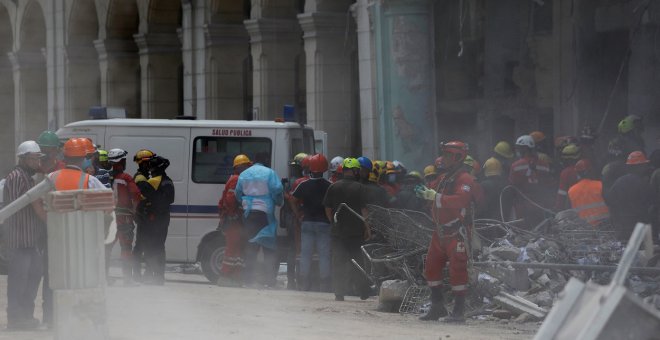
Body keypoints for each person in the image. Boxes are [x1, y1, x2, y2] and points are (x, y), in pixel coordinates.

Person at [415, 141, 476, 323]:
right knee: (431, 268)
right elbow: (433, 189)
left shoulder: (465, 179)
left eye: (448, 155)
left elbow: (460, 200)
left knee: (458, 270)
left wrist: (435, 197)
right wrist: (424, 191)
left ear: (458, 157)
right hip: (440, 232)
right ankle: (437, 307)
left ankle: (458, 311)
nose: (444, 158)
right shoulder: (445, 177)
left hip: (456, 231)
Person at [3, 141, 46, 330]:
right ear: (23, 159)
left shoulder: (28, 177)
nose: (37, 162)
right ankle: (16, 318)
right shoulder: (16, 177)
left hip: (30, 241)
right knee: (19, 280)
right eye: (34, 159)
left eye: (38, 158)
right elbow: (30, 203)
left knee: (34, 275)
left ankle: (26, 315)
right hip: (19, 241)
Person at [323, 158, 371, 301]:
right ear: (355, 171)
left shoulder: (333, 187)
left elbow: (327, 208)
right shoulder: (360, 187)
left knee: (338, 262)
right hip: (356, 232)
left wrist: (333, 222)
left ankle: (339, 293)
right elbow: (364, 210)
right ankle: (363, 291)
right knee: (358, 262)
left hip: (338, 233)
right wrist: (367, 228)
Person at [235, 162, 284, 287]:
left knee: (251, 248)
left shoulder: (244, 174)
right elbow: (277, 189)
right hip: (264, 212)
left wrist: (245, 202)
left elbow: (238, 193)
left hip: (248, 213)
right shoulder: (269, 172)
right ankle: (270, 281)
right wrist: (278, 201)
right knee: (269, 249)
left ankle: (248, 280)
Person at [290, 154, 332, 291]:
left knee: (305, 254)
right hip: (324, 224)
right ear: (324, 169)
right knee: (324, 254)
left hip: (307, 223)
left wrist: (298, 215)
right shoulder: (329, 186)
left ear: (310, 169)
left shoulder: (304, 184)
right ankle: (324, 283)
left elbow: (292, 199)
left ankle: (304, 283)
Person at [134, 155, 175, 285]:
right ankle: (159, 276)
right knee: (160, 247)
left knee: (150, 247)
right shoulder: (168, 181)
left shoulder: (153, 182)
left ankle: (149, 275)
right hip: (164, 218)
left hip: (152, 219)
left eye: (151, 167)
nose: (150, 169)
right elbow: (170, 200)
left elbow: (142, 199)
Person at [216, 154, 252, 287]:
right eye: (247, 166)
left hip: (235, 219)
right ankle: (225, 276)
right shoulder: (236, 179)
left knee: (238, 249)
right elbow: (231, 199)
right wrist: (233, 214)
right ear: (241, 167)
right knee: (232, 249)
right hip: (233, 220)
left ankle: (236, 277)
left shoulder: (238, 178)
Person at [107, 148, 141, 286]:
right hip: (124, 217)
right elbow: (136, 196)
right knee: (126, 248)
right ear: (121, 161)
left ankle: (103, 277)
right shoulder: (126, 178)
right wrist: (133, 210)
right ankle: (127, 279)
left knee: (107, 247)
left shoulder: (106, 177)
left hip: (109, 217)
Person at [605, 151, 655, 241]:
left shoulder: (619, 182)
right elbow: (650, 205)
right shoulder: (643, 184)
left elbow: (610, 202)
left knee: (627, 253)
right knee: (646, 253)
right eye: (644, 165)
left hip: (623, 228)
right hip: (641, 228)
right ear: (640, 166)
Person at [509, 135, 553, 227]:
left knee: (523, 232)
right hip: (540, 204)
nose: (518, 151)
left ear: (525, 149)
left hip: (522, 205)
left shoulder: (516, 166)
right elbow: (549, 185)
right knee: (540, 231)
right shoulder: (544, 165)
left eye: (520, 148)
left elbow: (512, 186)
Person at [282, 152, 308, 289]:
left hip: (291, 218)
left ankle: (292, 280)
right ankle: (299, 280)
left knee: (293, 249)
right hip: (298, 218)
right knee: (300, 249)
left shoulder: (291, 181)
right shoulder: (301, 181)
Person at [131, 149, 156, 281]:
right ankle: (137, 274)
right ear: (143, 164)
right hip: (143, 216)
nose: (151, 165)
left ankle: (139, 273)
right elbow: (147, 196)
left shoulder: (143, 177)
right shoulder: (141, 178)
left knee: (142, 245)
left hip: (142, 215)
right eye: (149, 163)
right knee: (142, 245)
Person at [568, 160, 610, 227]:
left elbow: (570, 211)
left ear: (577, 173)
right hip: (604, 227)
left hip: (583, 229)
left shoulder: (571, 190)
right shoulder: (600, 185)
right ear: (590, 171)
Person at [554, 144, 581, 211]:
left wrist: (558, 208)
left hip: (572, 206)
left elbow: (562, 193)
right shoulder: (585, 168)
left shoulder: (566, 172)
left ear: (567, 159)